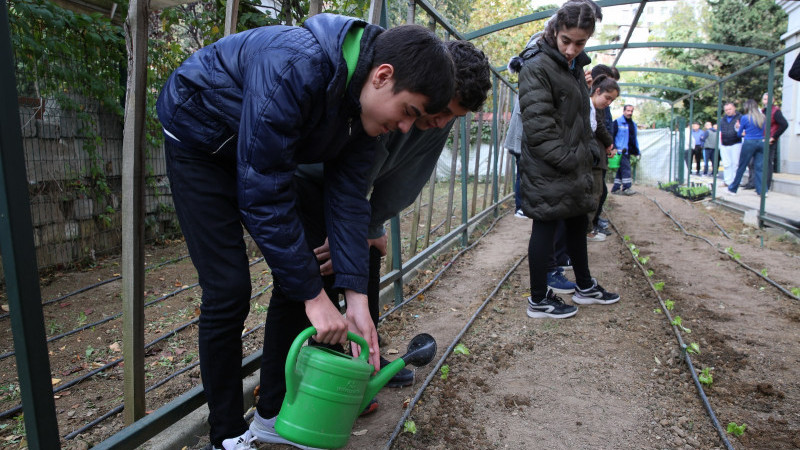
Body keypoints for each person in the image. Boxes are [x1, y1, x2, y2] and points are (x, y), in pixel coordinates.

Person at [156, 14, 456, 450]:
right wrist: (315, 299)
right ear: (382, 76)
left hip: (255, 149)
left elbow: (349, 199)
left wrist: (356, 299)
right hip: (200, 139)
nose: (407, 127)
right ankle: (226, 435)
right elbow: (265, 194)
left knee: (309, 265)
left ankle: (271, 417)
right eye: (408, 112)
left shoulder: (360, 107)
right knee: (228, 288)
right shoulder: (296, 66)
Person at [281, 39, 491, 419]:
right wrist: (345, 234)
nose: (442, 121)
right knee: (318, 268)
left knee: (366, 259)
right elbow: (356, 166)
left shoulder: (435, 119)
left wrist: (369, 225)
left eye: (454, 117)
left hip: (352, 198)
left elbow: (406, 178)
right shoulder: (402, 98)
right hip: (312, 181)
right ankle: (321, 381)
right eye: (443, 110)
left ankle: (366, 365)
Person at [517, 1, 620, 320]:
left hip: (573, 161)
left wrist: (586, 152)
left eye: (580, 43)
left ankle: (584, 285)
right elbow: (538, 127)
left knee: (577, 221)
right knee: (545, 224)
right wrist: (572, 158)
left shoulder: (572, 66)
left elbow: (578, 115)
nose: (572, 49)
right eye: (566, 41)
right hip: (549, 164)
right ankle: (538, 300)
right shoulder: (537, 65)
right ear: (554, 31)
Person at [587, 74, 619, 242]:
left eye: (611, 100)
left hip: (594, 155)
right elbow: (597, 128)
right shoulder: (587, 107)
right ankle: (587, 230)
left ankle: (588, 228)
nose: (608, 103)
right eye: (607, 98)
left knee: (597, 193)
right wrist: (609, 143)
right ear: (597, 90)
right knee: (594, 193)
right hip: (590, 158)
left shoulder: (594, 109)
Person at [727, 99, 767, 197]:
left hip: (749, 142)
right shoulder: (763, 117)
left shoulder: (745, 118)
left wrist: (738, 127)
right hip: (761, 142)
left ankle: (733, 189)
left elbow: (739, 134)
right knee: (759, 168)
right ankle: (762, 191)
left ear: (747, 107)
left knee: (742, 166)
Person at [504, 58, 526, 219]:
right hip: (521, 140)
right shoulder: (526, 89)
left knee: (522, 173)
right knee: (523, 174)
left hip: (521, 140)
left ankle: (522, 206)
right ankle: (521, 207)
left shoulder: (524, 88)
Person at [761, 92, 788, 189]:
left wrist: (774, 137)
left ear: (773, 100)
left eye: (768, 99)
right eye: (764, 99)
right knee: (760, 162)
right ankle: (759, 185)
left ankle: (765, 187)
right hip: (761, 139)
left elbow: (784, 124)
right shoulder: (763, 111)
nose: (766, 101)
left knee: (767, 163)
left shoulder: (776, 111)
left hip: (770, 141)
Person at [611, 104, 639, 195]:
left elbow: (634, 139)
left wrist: (636, 151)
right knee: (626, 169)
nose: (630, 113)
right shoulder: (617, 122)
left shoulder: (633, 124)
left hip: (628, 151)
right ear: (623, 111)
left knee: (621, 170)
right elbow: (611, 136)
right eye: (628, 110)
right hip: (620, 151)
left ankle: (615, 188)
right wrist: (613, 147)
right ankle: (627, 188)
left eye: (631, 111)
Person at [718, 102, 742, 187]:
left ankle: (736, 182)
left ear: (734, 108)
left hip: (736, 143)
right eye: (726, 110)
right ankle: (727, 181)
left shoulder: (740, 118)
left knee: (735, 163)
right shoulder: (722, 120)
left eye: (730, 109)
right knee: (726, 164)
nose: (728, 111)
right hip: (724, 144)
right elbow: (720, 132)